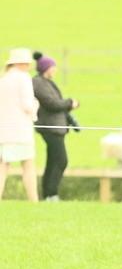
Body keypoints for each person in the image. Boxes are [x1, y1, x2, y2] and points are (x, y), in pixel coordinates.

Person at [31, 52, 78, 201]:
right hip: (50, 127)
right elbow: (52, 104)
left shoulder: (46, 83)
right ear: (47, 68)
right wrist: (70, 103)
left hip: (56, 127)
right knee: (61, 160)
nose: (55, 69)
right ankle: (51, 194)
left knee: (52, 161)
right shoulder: (39, 83)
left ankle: (48, 195)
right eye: (53, 67)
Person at [0, 48, 40, 202]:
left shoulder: (2, 80)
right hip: (20, 131)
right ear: (21, 64)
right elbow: (28, 105)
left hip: (2, 132)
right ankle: (33, 201)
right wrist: (36, 105)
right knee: (28, 165)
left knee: (2, 167)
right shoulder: (24, 78)